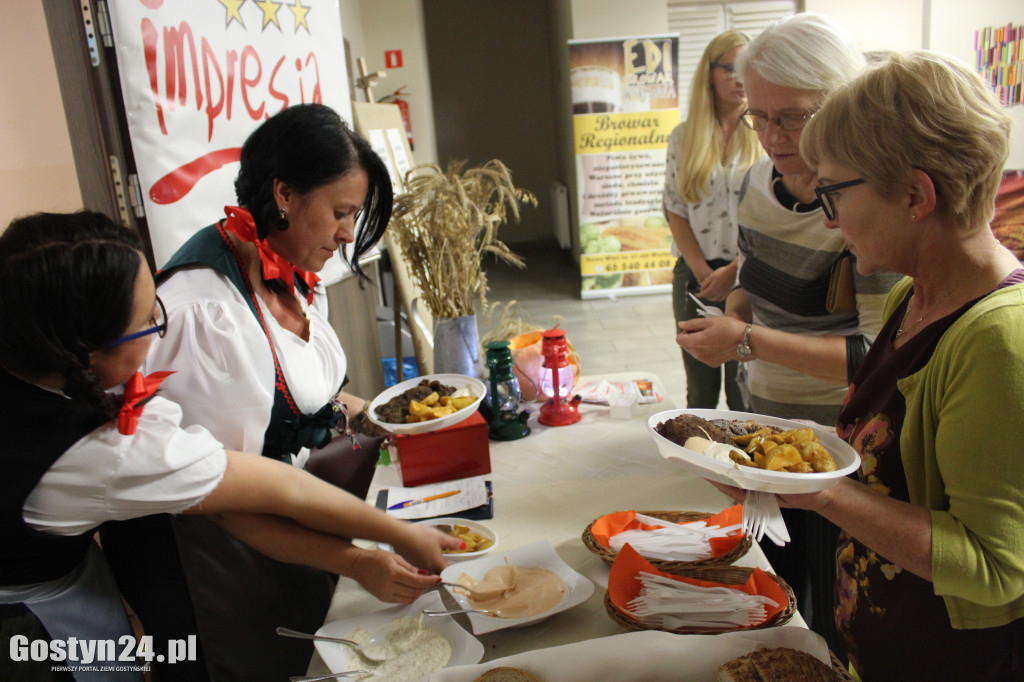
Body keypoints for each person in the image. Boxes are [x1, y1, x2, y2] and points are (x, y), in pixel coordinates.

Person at [0, 211, 460, 682]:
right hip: (38, 619)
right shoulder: (98, 451)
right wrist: (399, 535)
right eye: (146, 322)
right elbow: (277, 489)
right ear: (87, 354)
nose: (161, 326)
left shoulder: (29, 359)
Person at [97, 104, 429, 681]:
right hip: (203, 557)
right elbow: (221, 493)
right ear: (283, 194)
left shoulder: (289, 269)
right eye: (341, 213)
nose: (348, 233)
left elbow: (307, 405)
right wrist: (358, 560)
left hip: (276, 532)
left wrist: (402, 420)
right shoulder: (205, 311)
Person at [675, 13, 902, 658]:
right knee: (780, 588)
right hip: (767, 424)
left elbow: (876, 357)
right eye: (760, 116)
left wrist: (745, 341)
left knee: (833, 620)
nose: (772, 136)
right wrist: (738, 312)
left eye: (793, 117)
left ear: (839, 105)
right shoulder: (755, 181)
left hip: (839, 447)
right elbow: (754, 274)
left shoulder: (864, 203)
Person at [790, 51, 1021, 680]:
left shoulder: (999, 340)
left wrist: (817, 491)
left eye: (833, 194)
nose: (829, 220)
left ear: (917, 194)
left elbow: (994, 567)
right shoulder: (910, 294)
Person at [662, 30, 762, 410]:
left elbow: (774, 214)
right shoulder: (684, 136)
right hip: (696, 275)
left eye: (748, 69)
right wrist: (703, 270)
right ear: (710, 73)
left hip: (750, 274)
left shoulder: (766, 133)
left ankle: (746, 467)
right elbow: (674, 207)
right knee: (700, 388)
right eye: (731, 68)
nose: (740, 79)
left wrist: (735, 270)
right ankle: (702, 460)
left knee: (744, 390)